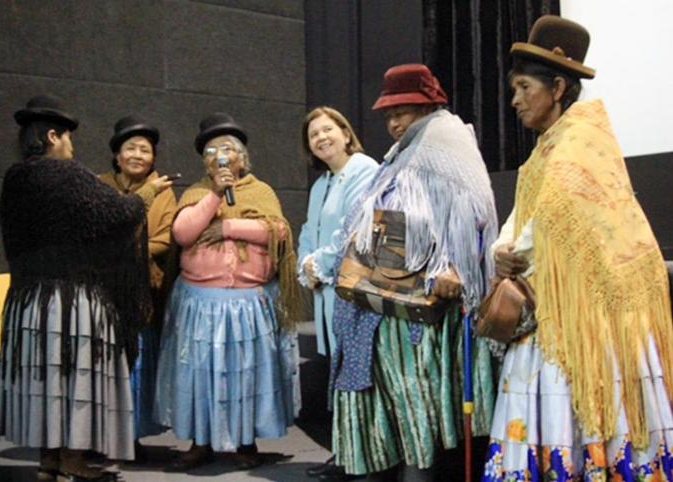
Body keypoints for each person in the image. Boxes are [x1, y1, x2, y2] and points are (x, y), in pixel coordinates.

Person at [482, 16, 673, 480]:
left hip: (587, 321)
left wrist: (515, 251)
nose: (516, 100)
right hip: (554, 309)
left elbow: (555, 222)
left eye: (525, 87)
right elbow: (522, 223)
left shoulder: (580, 145)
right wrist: (499, 251)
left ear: (559, 86)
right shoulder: (547, 150)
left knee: (586, 413)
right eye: (514, 89)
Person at [329, 64, 499, 481]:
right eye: (388, 115)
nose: (393, 122)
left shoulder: (448, 143)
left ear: (428, 106)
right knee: (389, 408)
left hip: (418, 310)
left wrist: (458, 267)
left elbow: (476, 215)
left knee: (413, 407)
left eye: (402, 111)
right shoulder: (400, 155)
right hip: (381, 305)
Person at [0, 94, 153, 481]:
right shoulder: (66, 175)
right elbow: (114, 214)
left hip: (29, 301)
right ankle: (73, 459)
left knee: (47, 382)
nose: (72, 147)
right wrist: (144, 197)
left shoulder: (15, 178)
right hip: (71, 299)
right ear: (53, 136)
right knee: (75, 378)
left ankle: (49, 461)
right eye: (69, 139)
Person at [154, 112, 302, 472]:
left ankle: (245, 440)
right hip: (202, 304)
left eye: (226, 149)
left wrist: (228, 227)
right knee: (201, 373)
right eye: (211, 151)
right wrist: (215, 196)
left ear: (242, 157)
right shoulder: (196, 192)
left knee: (246, 372)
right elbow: (184, 234)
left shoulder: (261, 191)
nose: (219, 156)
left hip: (250, 302)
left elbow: (278, 232)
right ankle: (199, 442)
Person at [298, 107, 378, 480]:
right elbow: (307, 233)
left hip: (352, 292)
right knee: (337, 375)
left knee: (355, 379)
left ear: (346, 133)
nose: (321, 138)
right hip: (326, 293)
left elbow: (353, 227)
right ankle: (344, 453)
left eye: (327, 129)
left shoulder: (364, 170)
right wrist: (306, 266)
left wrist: (321, 264)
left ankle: (360, 458)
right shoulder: (320, 185)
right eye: (314, 135)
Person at [99, 116, 177, 459]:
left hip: (144, 293)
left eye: (145, 150)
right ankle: (99, 436)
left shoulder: (165, 192)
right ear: (117, 155)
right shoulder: (98, 186)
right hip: (102, 295)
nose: (137, 155)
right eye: (130, 148)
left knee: (138, 366)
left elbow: (167, 237)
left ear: (154, 158)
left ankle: (131, 437)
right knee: (104, 365)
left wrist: (128, 250)